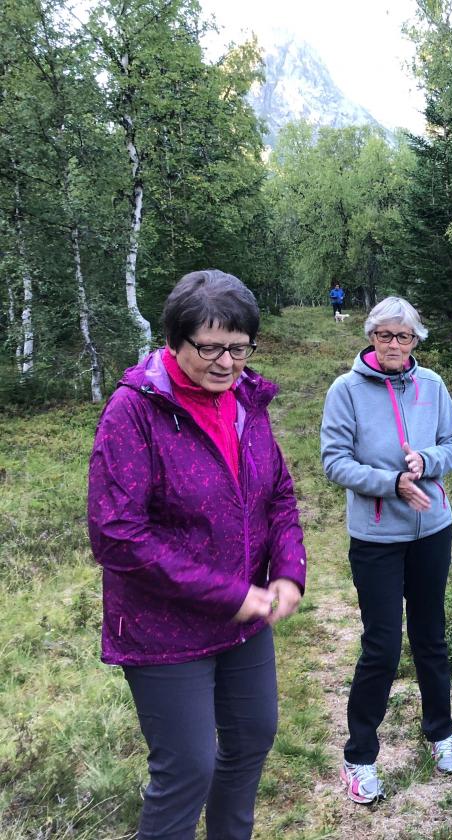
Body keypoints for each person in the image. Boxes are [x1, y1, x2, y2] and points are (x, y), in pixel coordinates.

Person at [87, 269, 307, 840]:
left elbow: (278, 495)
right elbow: (117, 535)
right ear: (174, 340)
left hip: (244, 622)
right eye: (210, 348)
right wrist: (229, 594)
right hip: (163, 630)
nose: (227, 363)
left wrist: (288, 571)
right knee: (188, 768)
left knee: (252, 738)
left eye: (239, 347)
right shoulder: (134, 411)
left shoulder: (247, 402)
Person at [321, 296, 452, 804]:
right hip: (376, 539)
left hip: (432, 530)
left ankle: (440, 733)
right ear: (371, 337)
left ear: (415, 341)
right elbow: (334, 461)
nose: (394, 345)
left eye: (404, 337)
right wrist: (391, 483)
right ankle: (359, 758)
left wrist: (426, 461)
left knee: (431, 638)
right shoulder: (345, 390)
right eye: (385, 335)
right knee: (381, 647)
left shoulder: (433, 385)